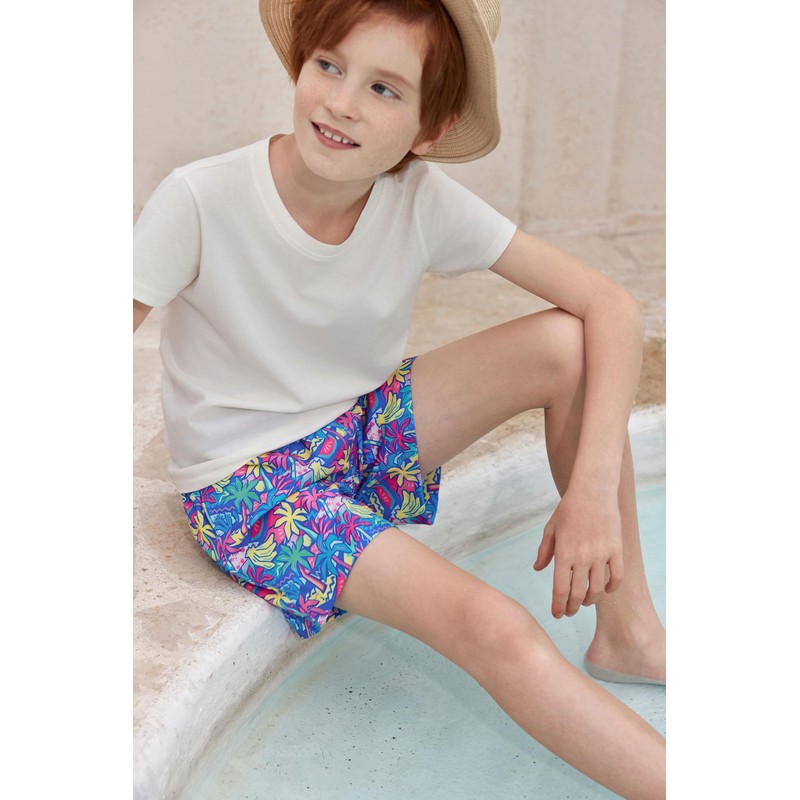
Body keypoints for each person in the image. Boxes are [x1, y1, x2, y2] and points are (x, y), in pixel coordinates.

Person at [133, 0, 666, 797]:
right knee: (494, 625)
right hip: (252, 492)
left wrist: (590, 493)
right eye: (330, 66)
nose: (342, 102)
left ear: (429, 129)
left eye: (385, 89)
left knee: (569, 344)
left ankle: (630, 635)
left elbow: (612, 307)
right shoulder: (202, 198)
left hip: (356, 429)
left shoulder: (418, 197)